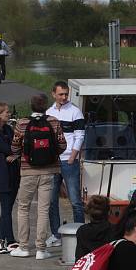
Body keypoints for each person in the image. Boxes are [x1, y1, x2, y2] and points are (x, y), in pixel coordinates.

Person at [9, 94, 66, 260]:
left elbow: (14, 147)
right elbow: (63, 145)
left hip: (28, 172)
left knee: (23, 208)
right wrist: (52, 155)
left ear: (31, 105)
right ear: (45, 105)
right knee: (43, 209)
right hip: (49, 172)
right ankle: (41, 249)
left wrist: (23, 154)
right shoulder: (54, 122)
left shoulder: (22, 123)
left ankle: (24, 247)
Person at [46, 80, 85, 249]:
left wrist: (73, 156)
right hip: (54, 162)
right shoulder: (48, 113)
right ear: (53, 94)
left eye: (66, 94)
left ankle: (81, 234)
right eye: (60, 94)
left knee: (75, 200)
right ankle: (56, 234)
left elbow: (80, 135)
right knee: (52, 200)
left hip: (69, 160)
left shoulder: (75, 112)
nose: (64, 97)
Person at [0, 102, 21, 254]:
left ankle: (1, 242)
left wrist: (15, 153)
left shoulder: (8, 128)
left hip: (13, 173)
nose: (9, 114)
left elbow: (18, 145)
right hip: (1, 174)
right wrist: (14, 152)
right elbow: (6, 148)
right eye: (6, 112)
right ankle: (11, 241)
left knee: (7, 209)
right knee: (6, 209)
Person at [74, 195, 118, 260]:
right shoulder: (115, 230)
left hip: (89, 268)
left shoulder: (82, 230)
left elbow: (79, 257)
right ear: (108, 212)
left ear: (89, 212)